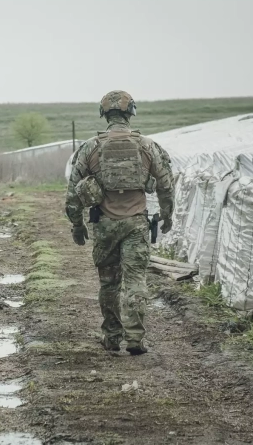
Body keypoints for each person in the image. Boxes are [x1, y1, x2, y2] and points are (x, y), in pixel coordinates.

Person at [65, 90, 174, 355]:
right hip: (136, 224)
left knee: (109, 283)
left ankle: (112, 337)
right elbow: (166, 185)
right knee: (135, 280)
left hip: (104, 225)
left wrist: (78, 225)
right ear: (131, 112)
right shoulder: (148, 146)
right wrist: (167, 215)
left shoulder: (90, 148)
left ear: (104, 114)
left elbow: (72, 193)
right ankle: (135, 338)